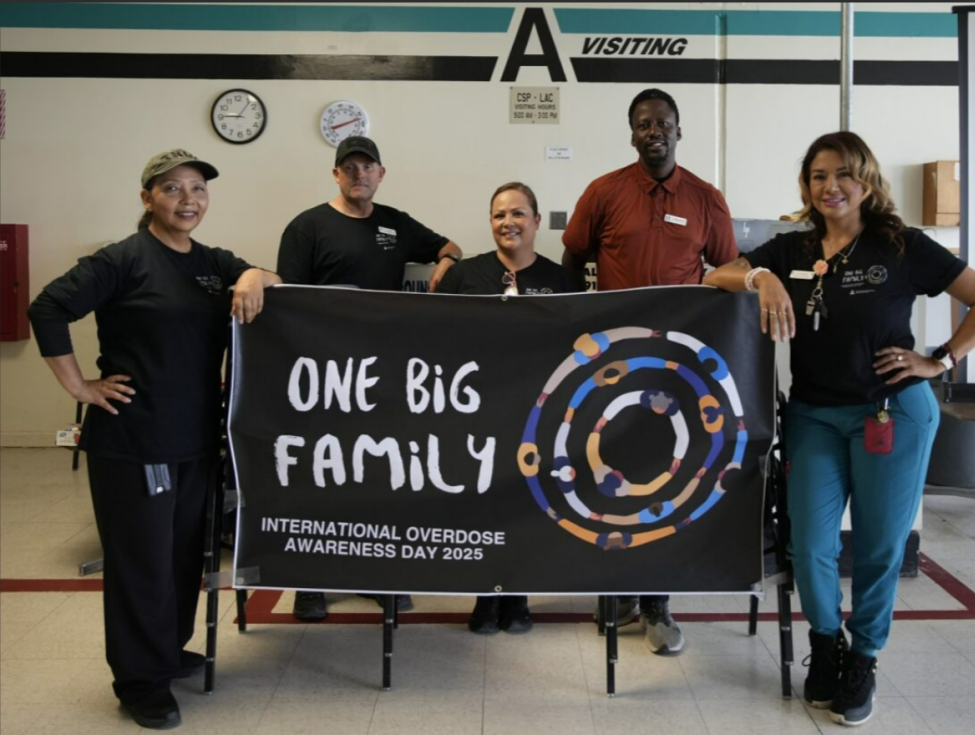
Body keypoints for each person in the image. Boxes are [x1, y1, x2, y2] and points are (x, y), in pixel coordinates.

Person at [704, 131, 975, 726]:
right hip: (815, 414)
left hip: (890, 413)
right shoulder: (791, 250)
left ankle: (864, 657)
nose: (830, 186)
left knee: (877, 547)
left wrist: (939, 360)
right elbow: (717, 275)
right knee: (812, 545)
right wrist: (759, 278)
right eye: (818, 175)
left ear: (866, 180)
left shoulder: (901, 246)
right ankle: (826, 646)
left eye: (843, 173)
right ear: (806, 185)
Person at [27, 149, 281, 730]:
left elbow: (272, 279)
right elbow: (47, 308)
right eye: (172, 189)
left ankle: (165, 652)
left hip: (195, 439)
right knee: (142, 564)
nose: (187, 199)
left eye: (197, 188)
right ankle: (140, 681)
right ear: (147, 199)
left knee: (181, 557)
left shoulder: (212, 263)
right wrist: (82, 386)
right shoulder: (123, 260)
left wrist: (249, 274)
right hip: (136, 441)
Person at [561, 87, 739, 656]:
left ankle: (658, 601)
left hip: (676, 366)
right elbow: (572, 261)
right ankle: (613, 588)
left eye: (663, 122)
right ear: (632, 133)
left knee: (666, 472)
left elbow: (730, 271)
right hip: (611, 361)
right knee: (605, 468)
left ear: (679, 131)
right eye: (643, 123)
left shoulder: (706, 198)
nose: (653, 130)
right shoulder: (604, 192)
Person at [277, 135, 463, 621]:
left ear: (381, 174)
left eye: (368, 167)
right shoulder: (307, 226)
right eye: (349, 167)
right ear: (336, 175)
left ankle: (378, 573)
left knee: (378, 474)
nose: (359, 174)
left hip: (381, 373)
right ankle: (310, 581)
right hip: (322, 372)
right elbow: (287, 301)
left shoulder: (395, 224)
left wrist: (444, 262)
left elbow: (452, 246)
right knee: (322, 476)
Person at [437, 181, 583, 634]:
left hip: (538, 414)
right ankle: (484, 596)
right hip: (478, 411)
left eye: (518, 214)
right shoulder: (466, 275)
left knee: (526, 505)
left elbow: (578, 343)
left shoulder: (561, 280)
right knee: (484, 504)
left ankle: (517, 597)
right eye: (499, 215)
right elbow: (435, 336)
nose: (508, 223)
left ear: (537, 221)